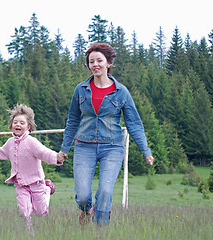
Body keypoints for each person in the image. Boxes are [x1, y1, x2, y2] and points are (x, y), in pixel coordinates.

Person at [58, 43, 154, 226]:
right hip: (84, 145)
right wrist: (64, 149)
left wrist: (146, 151)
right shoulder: (81, 90)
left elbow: (134, 123)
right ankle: (87, 210)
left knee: (105, 191)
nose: (95, 64)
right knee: (83, 194)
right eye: (91, 61)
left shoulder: (121, 92)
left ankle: (100, 230)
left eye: (99, 60)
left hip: (112, 147)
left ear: (108, 63)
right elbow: (72, 121)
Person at [0, 104, 65, 229]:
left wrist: (57, 157)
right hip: (21, 185)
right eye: (15, 122)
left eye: (22, 123)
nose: (18, 125)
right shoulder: (10, 143)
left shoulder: (31, 142)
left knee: (41, 212)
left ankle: (47, 189)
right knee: (24, 213)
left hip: (37, 184)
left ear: (28, 127)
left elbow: (44, 153)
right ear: (11, 125)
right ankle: (28, 234)